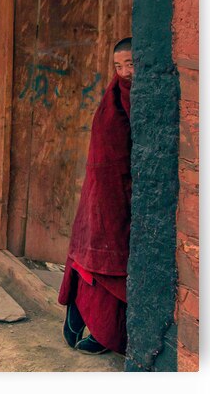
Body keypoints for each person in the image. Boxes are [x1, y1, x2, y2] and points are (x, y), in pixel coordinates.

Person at [58, 37, 134, 355]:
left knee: (107, 255)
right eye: (118, 66)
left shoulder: (135, 95)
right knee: (99, 253)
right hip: (104, 190)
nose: (125, 71)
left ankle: (98, 327)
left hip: (119, 190)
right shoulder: (115, 96)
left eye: (130, 64)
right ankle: (81, 314)